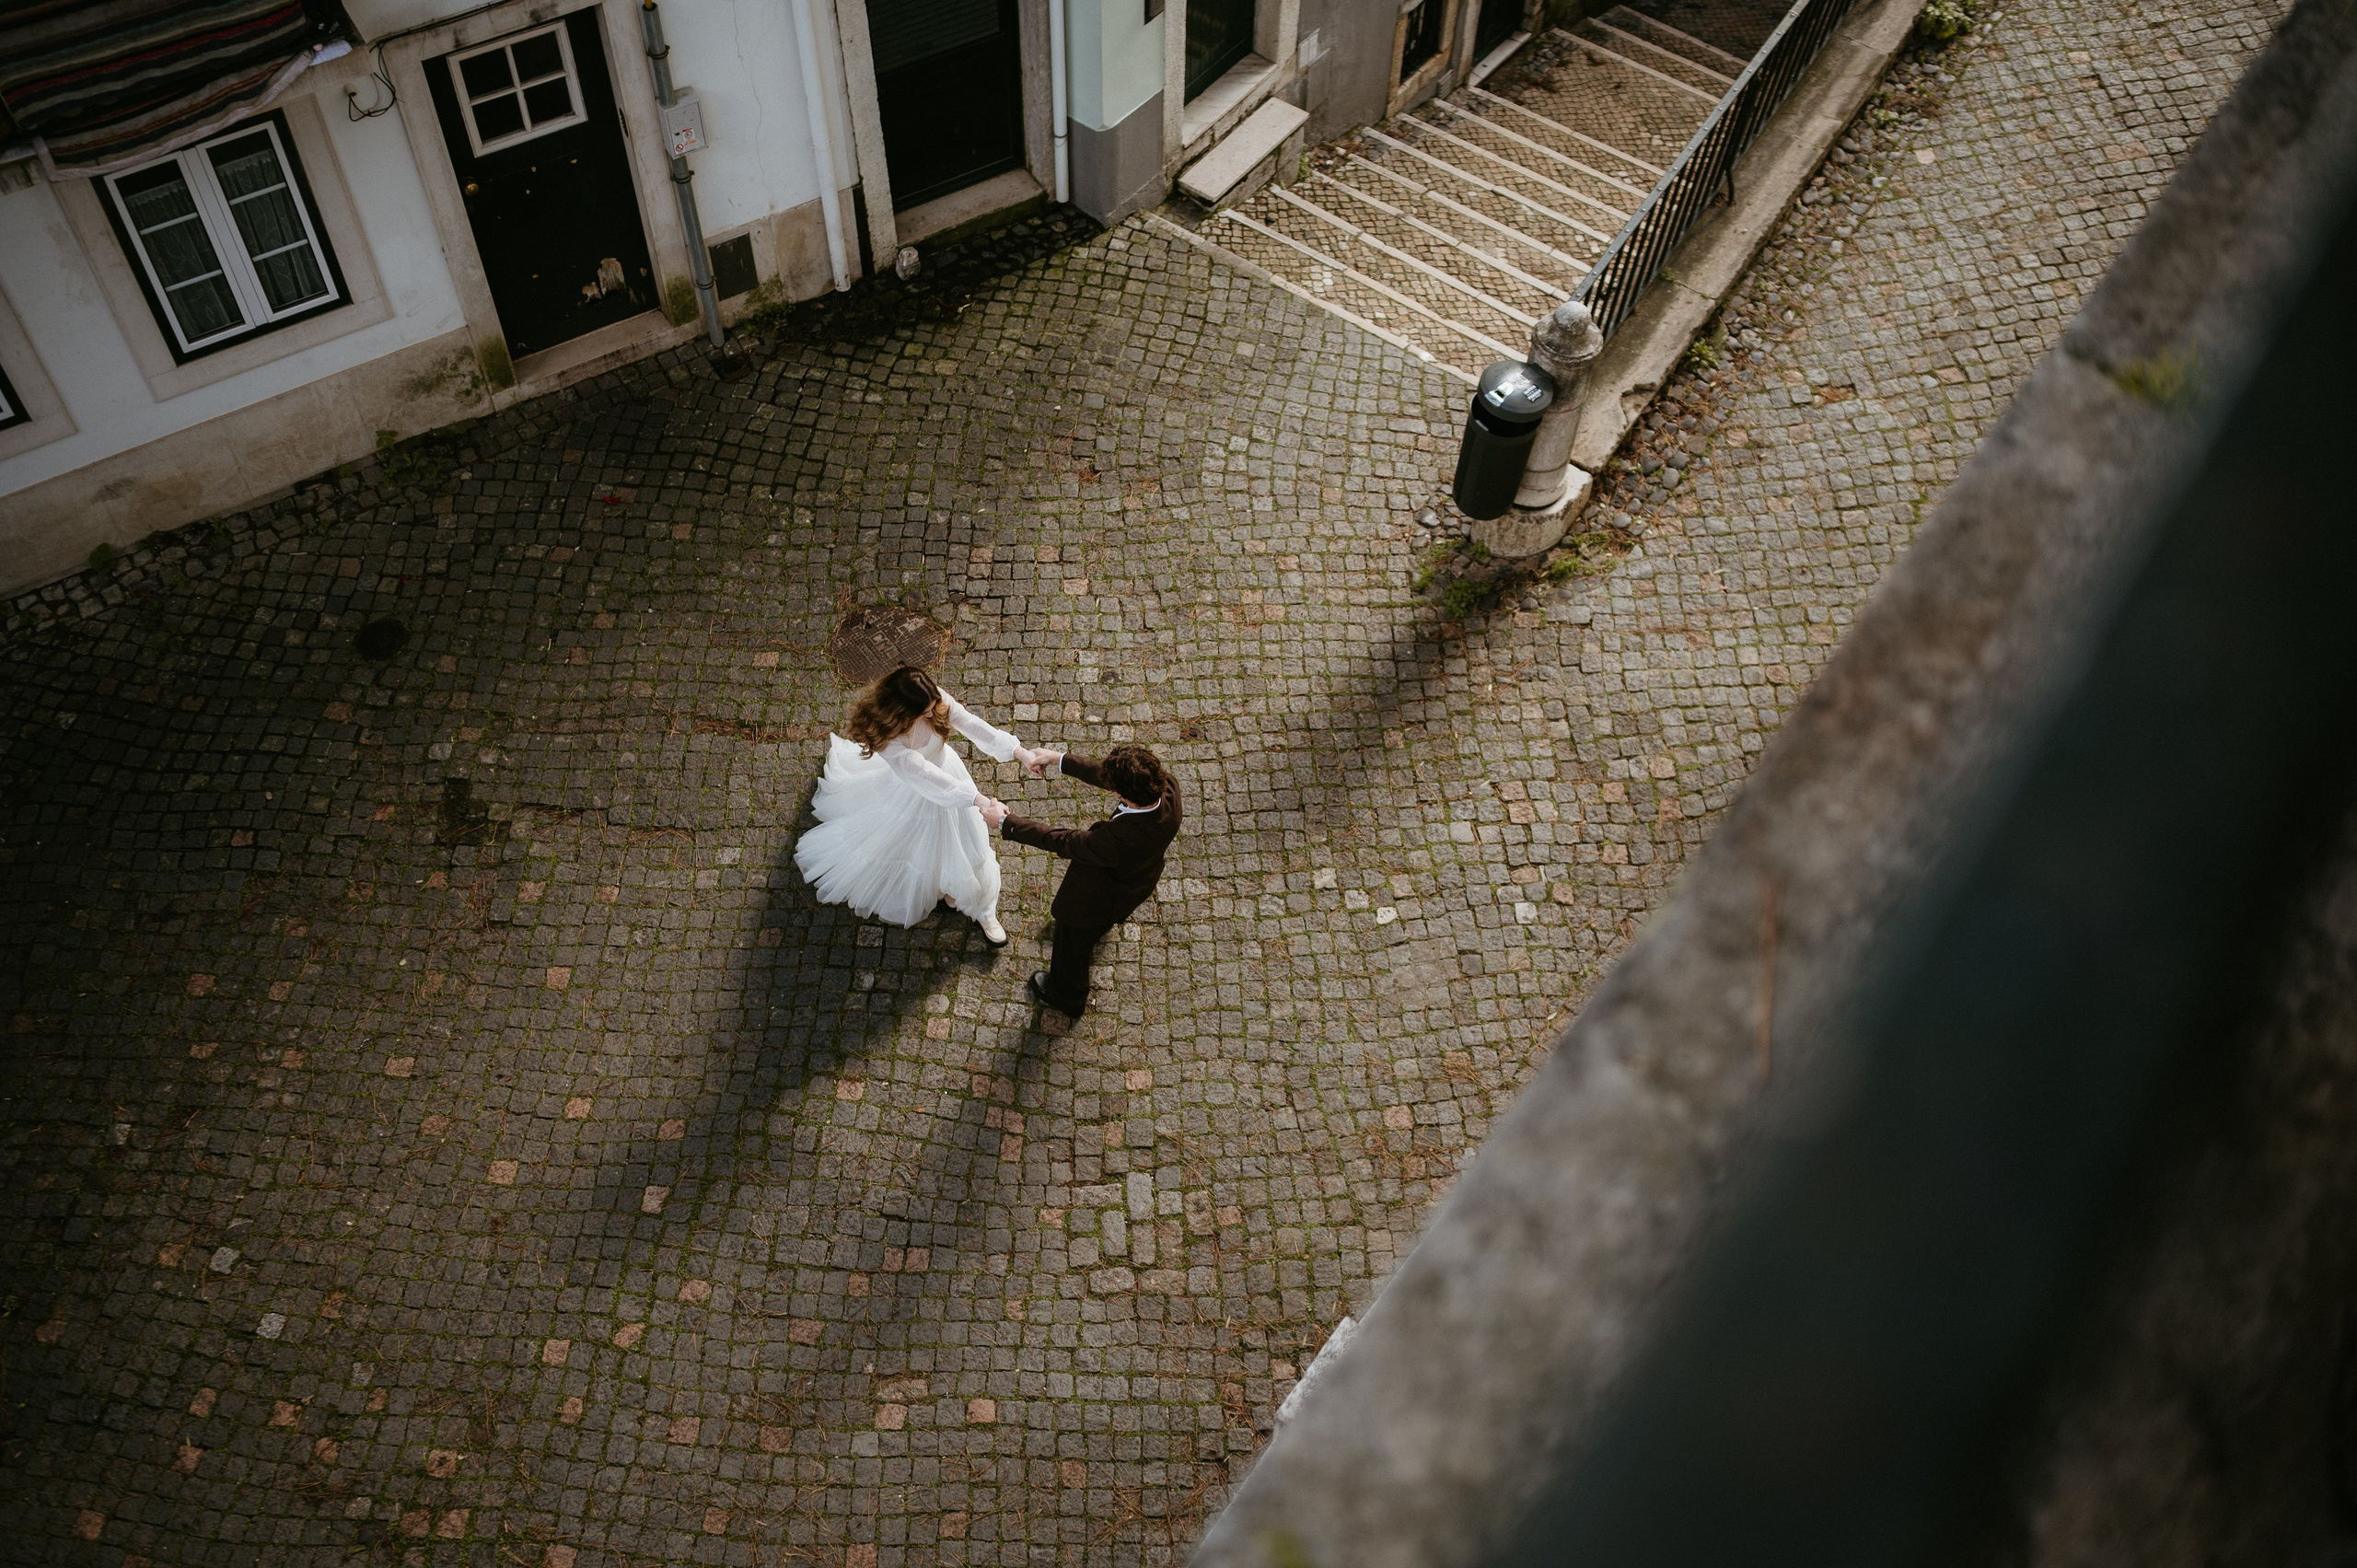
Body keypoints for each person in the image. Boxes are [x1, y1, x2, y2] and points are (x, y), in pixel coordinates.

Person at [794, 666, 1048, 944]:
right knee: (920, 846)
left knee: (971, 844)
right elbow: (926, 777)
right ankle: (947, 887)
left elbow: (975, 726)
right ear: (901, 713)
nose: (931, 714)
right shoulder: (889, 740)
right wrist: (980, 801)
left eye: (932, 707)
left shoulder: (934, 701)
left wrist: (1020, 753)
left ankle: (982, 908)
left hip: (948, 772)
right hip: (917, 788)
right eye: (923, 713)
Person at [997, 744, 1180, 1017]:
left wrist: (1006, 823)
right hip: (1135, 879)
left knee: (1071, 946)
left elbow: (1064, 840)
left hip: (1095, 899)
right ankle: (1099, 930)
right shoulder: (1166, 787)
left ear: (1120, 794)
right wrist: (1060, 760)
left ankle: (1067, 995)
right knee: (1096, 928)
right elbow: (1111, 775)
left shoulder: (1116, 841)